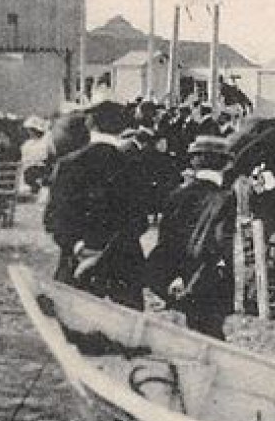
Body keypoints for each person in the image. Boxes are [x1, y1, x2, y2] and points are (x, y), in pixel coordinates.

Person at [43, 100, 151, 307]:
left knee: (73, 328)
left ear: (90, 124)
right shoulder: (135, 164)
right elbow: (141, 221)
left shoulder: (68, 165)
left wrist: (78, 246)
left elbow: (53, 220)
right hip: (123, 264)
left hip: (78, 264)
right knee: (125, 331)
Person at [145, 134, 237, 339]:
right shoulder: (226, 198)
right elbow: (220, 244)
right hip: (210, 277)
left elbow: (165, 242)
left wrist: (171, 277)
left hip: (179, 275)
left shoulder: (176, 194)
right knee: (211, 333)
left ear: (193, 161)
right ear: (226, 164)